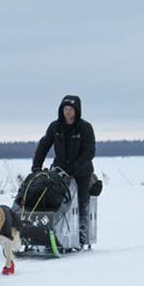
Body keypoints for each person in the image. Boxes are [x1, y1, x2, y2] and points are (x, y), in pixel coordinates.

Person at [32, 95, 96, 246]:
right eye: (65, 109)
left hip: (81, 171)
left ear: (76, 111)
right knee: (52, 198)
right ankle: (51, 228)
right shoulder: (55, 127)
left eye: (70, 109)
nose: (67, 112)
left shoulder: (85, 127)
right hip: (59, 170)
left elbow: (89, 152)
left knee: (81, 200)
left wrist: (74, 168)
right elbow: (44, 146)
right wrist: (36, 166)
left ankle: (82, 230)